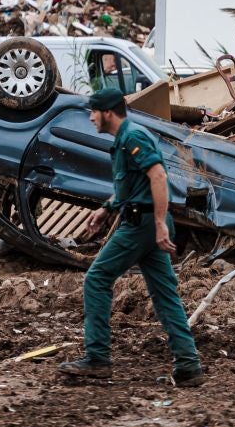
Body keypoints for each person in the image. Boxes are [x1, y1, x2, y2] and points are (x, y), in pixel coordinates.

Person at [59, 88, 204, 388]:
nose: (90, 117)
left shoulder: (133, 137)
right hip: (144, 221)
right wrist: (106, 209)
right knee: (165, 295)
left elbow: (158, 176)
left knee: (96, 280)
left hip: (142, 225)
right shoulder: (125, 138)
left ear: (108, 112)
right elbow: (132, 185)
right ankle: (188, 365)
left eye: (94, 111)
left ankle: (97, 358)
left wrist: (161, 223)